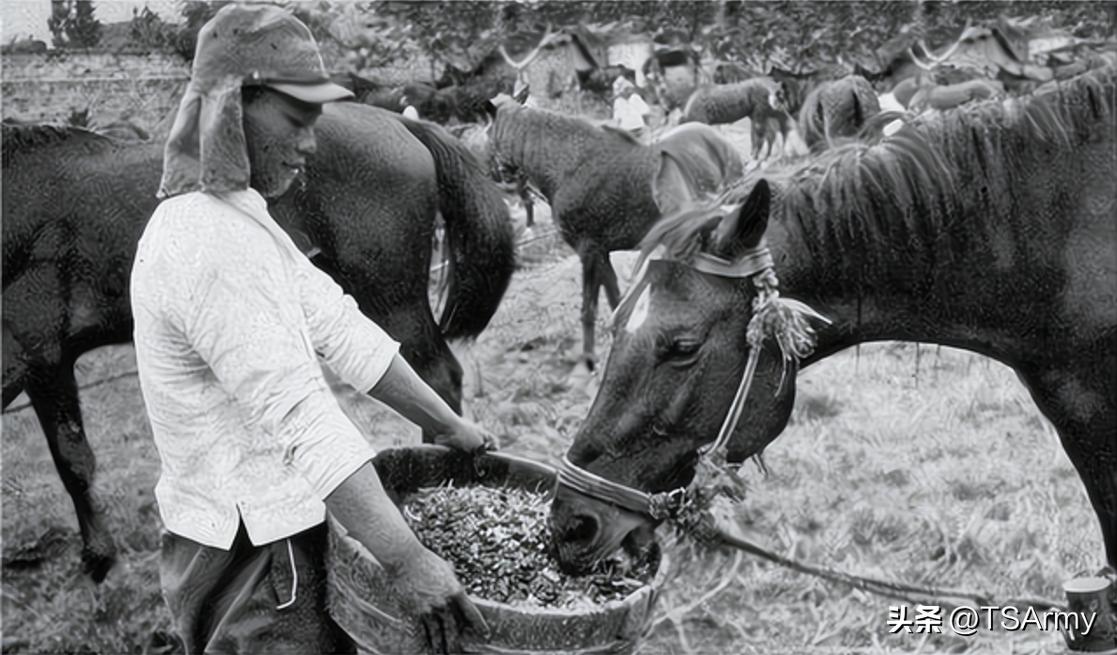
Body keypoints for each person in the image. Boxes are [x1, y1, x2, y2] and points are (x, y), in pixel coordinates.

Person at [130, 5, 494, 653]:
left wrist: (444, 422)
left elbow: (341, 329)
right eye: (297, 120)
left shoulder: (243, 215)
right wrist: (406, 560)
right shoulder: (208, 238)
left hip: (269, 535)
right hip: (255, 555)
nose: (310, 144)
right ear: (232, 107)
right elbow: (301, 414)